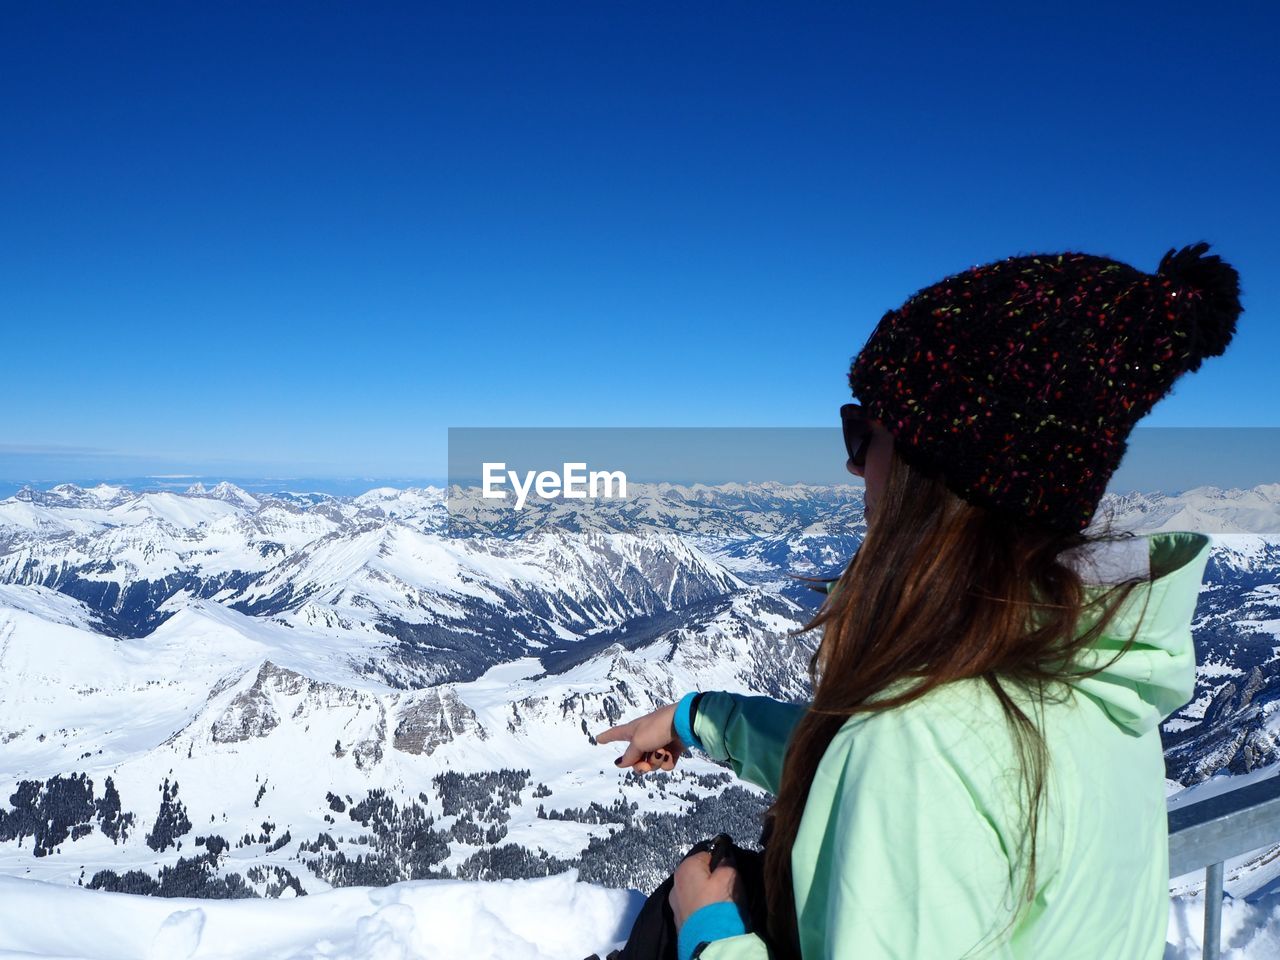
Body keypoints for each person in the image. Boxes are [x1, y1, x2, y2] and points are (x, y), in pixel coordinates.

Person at [596, 243, 1243, 960]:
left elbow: (904, 771)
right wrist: (700, 719)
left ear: (929, 469)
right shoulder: (1088, 672)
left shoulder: (918, 744)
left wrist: (708, 928)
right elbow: (876, 777)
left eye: (860, 432)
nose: (849, 463)